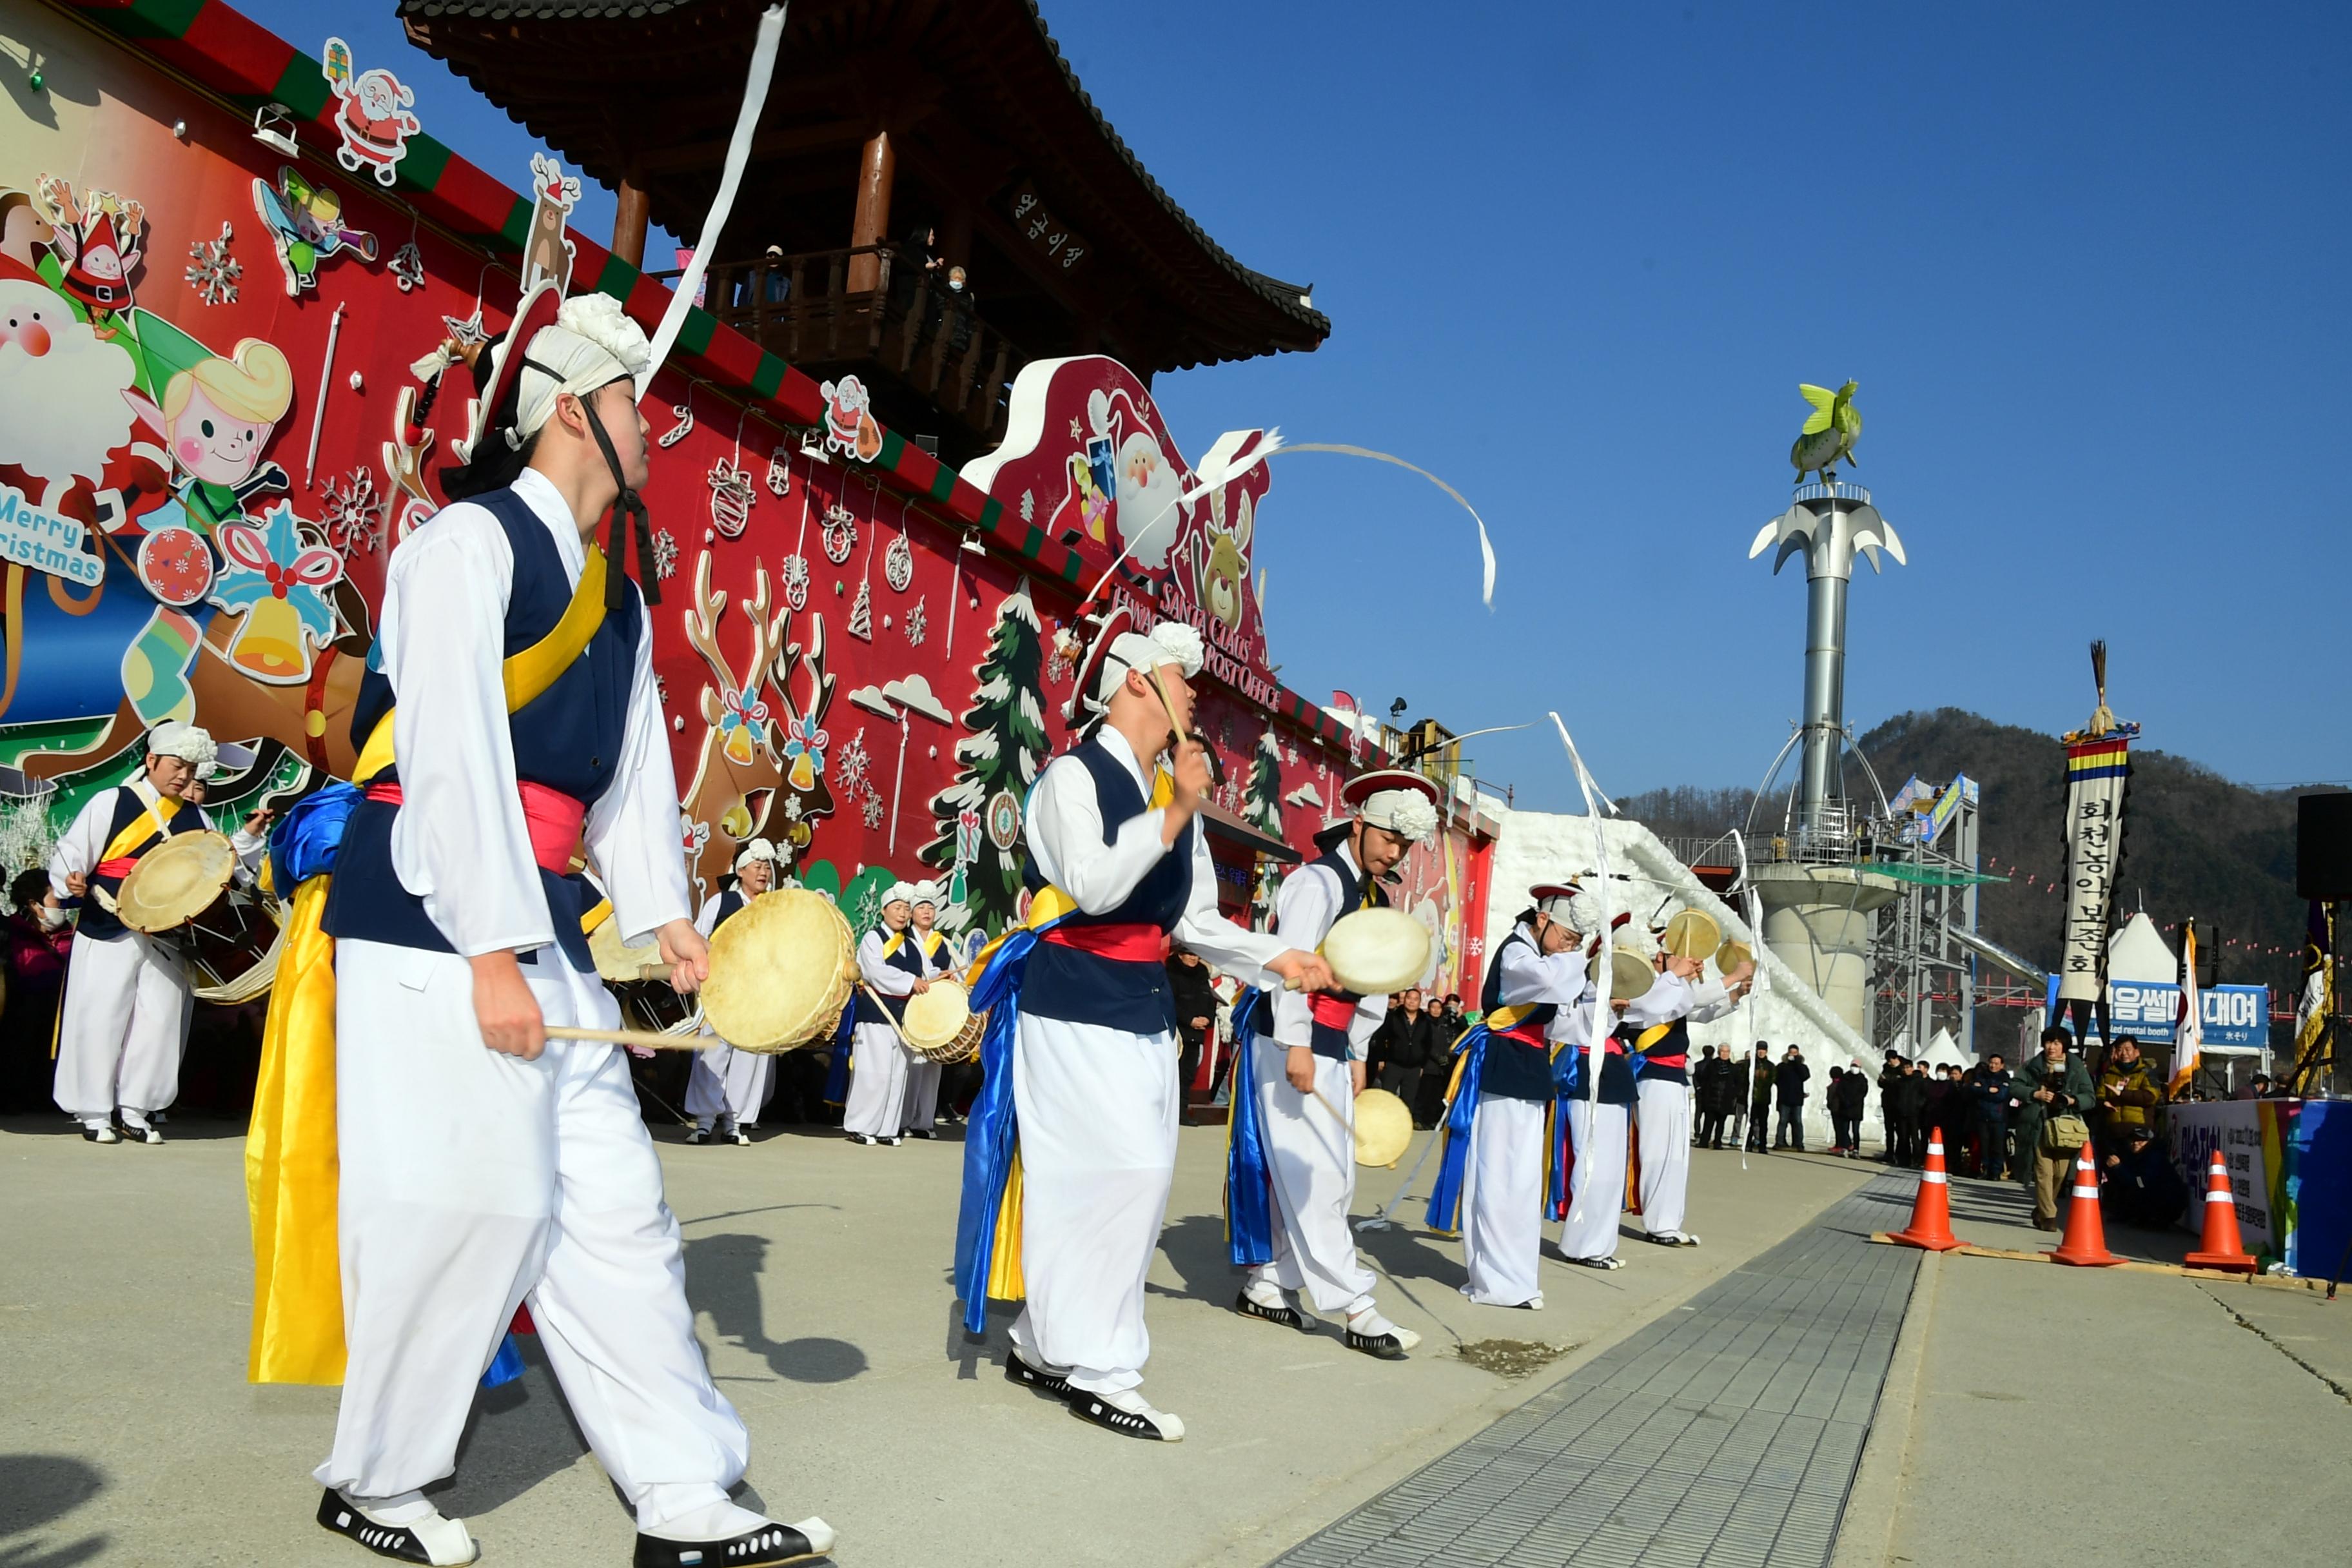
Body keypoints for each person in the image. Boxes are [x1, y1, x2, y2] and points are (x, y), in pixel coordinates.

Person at [304, 282, 830, 1564]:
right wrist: (489, 948)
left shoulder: (623, 600)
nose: (653, 429)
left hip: (547, 922)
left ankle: (689, 1497)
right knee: (467, 1202)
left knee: (615, 1213)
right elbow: (449, 758)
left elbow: (635, 788)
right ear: (577, 414)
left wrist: (668, 920)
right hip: (435, 915)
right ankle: (373, 1478)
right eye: (632, 403)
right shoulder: (462, 547)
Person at [953, 617, 1329, 1444]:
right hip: (1073, 997)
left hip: (1142, 1006)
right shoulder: (1071, 777)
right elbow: (1089, 883)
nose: (1193, 692)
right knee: (1112, 1172)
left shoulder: (1173, 800)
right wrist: (1175, 810)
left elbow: (1194, 921)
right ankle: (1101, 1364)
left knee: (1130, 1178)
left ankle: (1043, 1342)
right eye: (1179, 676)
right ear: (1134, 683)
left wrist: (1280, 956)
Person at [1234, 768, 1440, 1355]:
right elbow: (1290, 965)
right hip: (1288, 1038)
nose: (1395, 851)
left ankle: (1270, 1281)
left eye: (1404, 844)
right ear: (1358, 825)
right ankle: (1357, 1307)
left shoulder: (1373, 895)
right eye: (1388, 838)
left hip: (1332, 1043)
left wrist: (1357, 1048)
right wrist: (1297, 1041)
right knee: (1317, 1174)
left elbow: (1377, 981)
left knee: (1321, 1173)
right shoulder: (1316, 884)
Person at [46, 721, 266, 1144]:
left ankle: (137, 1108)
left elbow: (221, 864)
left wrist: (249, 842)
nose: (183, 776)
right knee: (101, 1013)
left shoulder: (195, 815)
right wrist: (69, 879)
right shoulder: (112, 801)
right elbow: (74, 853)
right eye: (176, 766)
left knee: (159, 1019)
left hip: (169, 933)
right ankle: (94, 1110)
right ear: (152, 761)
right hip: (110, 920)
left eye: (190, 768)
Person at [1430, 884, 1595, 1300]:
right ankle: (1493, 1279)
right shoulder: (1517, 953)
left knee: (1522, 1180)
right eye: (1567, 938)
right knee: (1498, 1175)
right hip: (1502, 1064)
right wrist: (1582, 961)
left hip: (1531, 1067)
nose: (1568, 948)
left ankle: (1517, 1279)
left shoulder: (1546, 956)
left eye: (1575, 943)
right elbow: (1547, 983)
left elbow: (1565, 1023)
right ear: (1543, 920)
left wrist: (1603, 996)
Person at [1623, 924, 1751, 1246]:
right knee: (1657, 1152)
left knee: (1677, 1154)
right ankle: (1658, 1223)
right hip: (1653, 1076)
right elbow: (1685, 1001)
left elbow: (1698, 1011)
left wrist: (1734, 993)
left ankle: (1669, 1220)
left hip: (1674, 1078)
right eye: (1667, 957)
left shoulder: (1667, 990)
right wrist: (1730, 977)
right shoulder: (1643, 991)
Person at [1556, 904, 1642, 1269]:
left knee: (1610, 1168)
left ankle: (1601, 1244)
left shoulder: (1606, 986)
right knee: (1591, 1165)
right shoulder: (1577, 981)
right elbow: (1569, 1024)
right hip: (1586, 1071)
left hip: (1610, 1072)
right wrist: (1603, 1005)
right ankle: (1582, 1245)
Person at [683, 839, 780, 1146]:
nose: (764, 872)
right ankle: (704, 1121)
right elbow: (699, 938)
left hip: (757, 992)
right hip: (722, 988)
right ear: (741, 871)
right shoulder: (721, 902)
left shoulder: (774, 909)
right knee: (713, 1052)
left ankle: (735, 1121)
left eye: (767, 867)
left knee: (748, 1055)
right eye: (758, 866)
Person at [843, 882, 926, 1146]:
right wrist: (911, 981)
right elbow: (876, 973)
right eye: (897, 908)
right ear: (884, 911)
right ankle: (861, 1125)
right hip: (876, 1015)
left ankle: (887, 1129)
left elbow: (926, 974)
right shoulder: (873, 938)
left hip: (903, 1019)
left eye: (906, 909)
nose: (902, 914)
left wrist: (940, 979)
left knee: (896, 1074)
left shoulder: (912, 944)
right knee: (873, 1073)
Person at [1, 865, 74, 1113]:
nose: (62, 907)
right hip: (20, 1026)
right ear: (34, 904)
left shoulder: (74, 937)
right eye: (57, 899)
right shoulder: (10, 934)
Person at [2012, 1027, 2097, 1230]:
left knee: (2060, 1173)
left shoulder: (2077, 1068)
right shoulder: (2032, 1066)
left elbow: (2090, 1097)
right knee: (2044, 1171)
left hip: (2065, 1129)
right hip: (2039, 1126)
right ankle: (2049, 1217)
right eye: (2049, 1042)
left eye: (2057, 1043)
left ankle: (2041, 1209)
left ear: (2065, 1046)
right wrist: (2034, 1094)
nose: (2052, 1047)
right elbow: (2014, 1086)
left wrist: (2069, 1099)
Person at [899, 881, 954, 1139]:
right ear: (912, 912)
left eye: (930, 908)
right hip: (912, 1005)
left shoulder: (943, 942)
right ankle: (904, 1119)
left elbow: (958, 972)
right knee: (911, 1063)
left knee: (933, 1064)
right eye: (921, 907)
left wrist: (951, 979)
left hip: (937, 1008)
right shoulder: (903, 939)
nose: (926, 912)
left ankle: (925, 1121)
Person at [1166, 943, 1218, 1126]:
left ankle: (1181, 1113)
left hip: (1197, 1034)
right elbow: (1171, 1003)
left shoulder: (1202, 976)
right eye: (1189, 955)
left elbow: (1210, 1001)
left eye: (1196, 955)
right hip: (1178, 1033)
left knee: (1187, 1076)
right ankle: (1167, 1114)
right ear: (1180, 955)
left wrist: (1207, 1019)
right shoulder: (1171, 975)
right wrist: (1190, 1020)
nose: (1193, 958)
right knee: (1172, 1074)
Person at [2102, 1123, 2190, 1229]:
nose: (2136, 1143)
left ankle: (2154, 1218)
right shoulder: (2132, 1154)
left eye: (2141, 1141)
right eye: (2133, 1140)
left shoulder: (2154, 1157)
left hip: (2167, 1202)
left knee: (2136, 1184)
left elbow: (2141, 1183)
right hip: (2154, 1195)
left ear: (2150, 1142)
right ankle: (2129, 1214)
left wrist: (2119, 1167)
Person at [2095, 1035, 2161, 1161]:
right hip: (2113, 1133)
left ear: (2136, 1052)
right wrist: (2103, 1104)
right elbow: (2100, 1095)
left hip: (2138, 1133)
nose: (2124, 1053)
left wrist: (2123, 1094)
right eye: (2120, 1050)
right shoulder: (2109, 1074)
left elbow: (2151, 1097)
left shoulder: (2146, 1072)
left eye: (2128, 1049)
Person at [1963, 1052, 2013, 1179]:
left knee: (1997, 1147)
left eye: (1996, 1064)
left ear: (2002, 1065)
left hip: (1999, 1118)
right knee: (1983, 1146)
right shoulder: (1981, 1076)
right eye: (1991, 1063)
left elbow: (2001, 1095)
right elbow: (1973, 1089)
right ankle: (1984, 1169)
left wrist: (1983, 1091)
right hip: (1982, 1116)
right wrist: (1988, 1090)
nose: (1993, 1066)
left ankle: (1995, 1172)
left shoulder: (2005, 1078)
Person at [1772, 1045, 1811, 1150]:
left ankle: (1798, 1143)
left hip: (1797, 1100)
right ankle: (1780, 1142)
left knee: (1797, 1122)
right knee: (1783, 1121)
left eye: (1795, 1053)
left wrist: (1797, 1063)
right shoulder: (1782, 1066)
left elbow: (1805, 1076)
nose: (1793, 1055)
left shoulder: (1802, 1067)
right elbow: (1775, 1078)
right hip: (1784, 1099)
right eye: (1791, 1053)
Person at [1690, 1046, 1727, 1148]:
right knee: (1709, 1117)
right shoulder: (1714, 1065)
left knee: (1698, 1114)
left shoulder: (1698, 1065)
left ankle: (1698, 1134)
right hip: (1710, 1094)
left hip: (1700, 1093)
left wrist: (1698, 1087)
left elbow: (1694, 1078)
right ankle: (1710, 1137)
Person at [1830, 1063, 1869, 1157]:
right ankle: (1844, 1148)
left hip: (1856, 1108)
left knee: (1856, 1130)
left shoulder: (1862, 1079)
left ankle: (1856, 1149)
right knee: (1844, 1129)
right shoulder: (1845, 1078)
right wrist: (1845, 1101)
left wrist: (1853, 1101)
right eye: (1853, 1065)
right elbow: (1840, 1091)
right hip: (1845, 1108)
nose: (1854, 1068)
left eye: (1856, 1066)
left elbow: (1863, 1093)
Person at [1745, 1043, 1774, 1152]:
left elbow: (1772, 1080)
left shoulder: (1770, 1066)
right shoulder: (1750, 1064)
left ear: (1766, 1051)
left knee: (1763, 1124)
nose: (1761, 1052)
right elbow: (1744, 1078)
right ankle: (1748, 1144)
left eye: (1763, 1050)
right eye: (1759, 1050)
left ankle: (1762, 1145)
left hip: (1764, 1099)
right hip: (1751, 1098)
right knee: (1750, 1123)